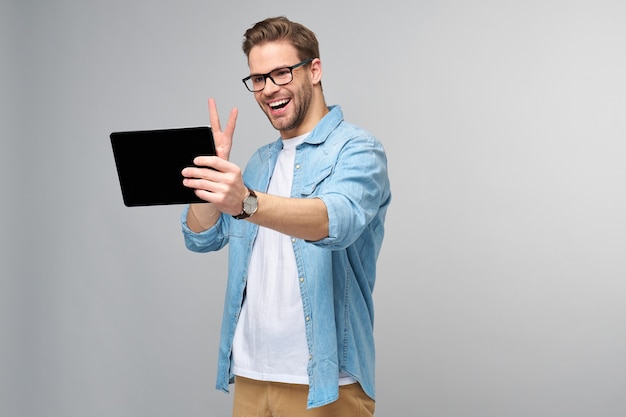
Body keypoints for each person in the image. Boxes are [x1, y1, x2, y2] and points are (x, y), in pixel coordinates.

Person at [180, 16, 391, 416]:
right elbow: (200, 237)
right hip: (251, 375)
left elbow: (336, 219)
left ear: (314, 70)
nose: (268, 89)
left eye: (280, 73)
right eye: (258, 78)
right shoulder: (260, 162)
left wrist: (247, 202)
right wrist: (208, 181)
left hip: (325, 384)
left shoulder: (358, 149)